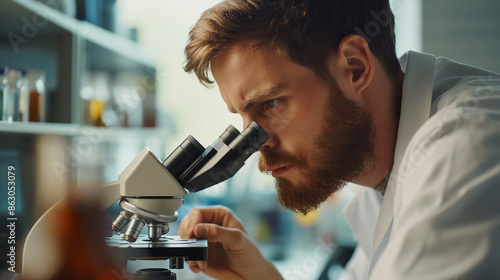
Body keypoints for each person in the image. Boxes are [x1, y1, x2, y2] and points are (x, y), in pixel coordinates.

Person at [178, 0, 500, 279]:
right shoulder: (384, 174)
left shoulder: (463, 147)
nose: (257, 144)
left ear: (355, 66)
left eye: (271, 104)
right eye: (242, 118)